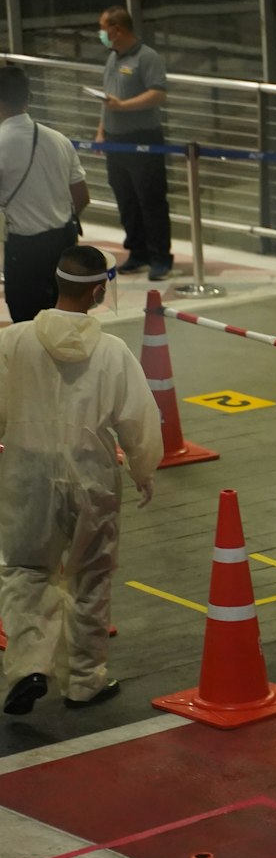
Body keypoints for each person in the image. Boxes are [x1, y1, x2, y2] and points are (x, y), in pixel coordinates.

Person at [0, 245, 162, 716]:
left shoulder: (14, 341)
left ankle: (28, 666)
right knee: (91, 575)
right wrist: (142, 468)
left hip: (26, 470)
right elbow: (139, 419)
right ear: (97, 291)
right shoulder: (113, 352)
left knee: (26, 570)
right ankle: (85, 681)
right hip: (91, 473)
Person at [0, 64, 88, 322]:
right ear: (29, 98)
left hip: (25, 250)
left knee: (29, 324)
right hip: (64, 245)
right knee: (65, 320)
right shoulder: (59, 139)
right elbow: (82, 196)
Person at [96, 5, 173, 280]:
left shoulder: (146, 57)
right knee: (126, 199)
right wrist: (101, 132)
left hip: (142, 140)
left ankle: (160, 257)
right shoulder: (113, 58)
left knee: (150, 199)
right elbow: (108, 99)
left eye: (104, 28)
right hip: (116, 141)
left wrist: (123, 107)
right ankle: (137, 252)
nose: (101, 34)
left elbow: (157, 93)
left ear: (117, 29)